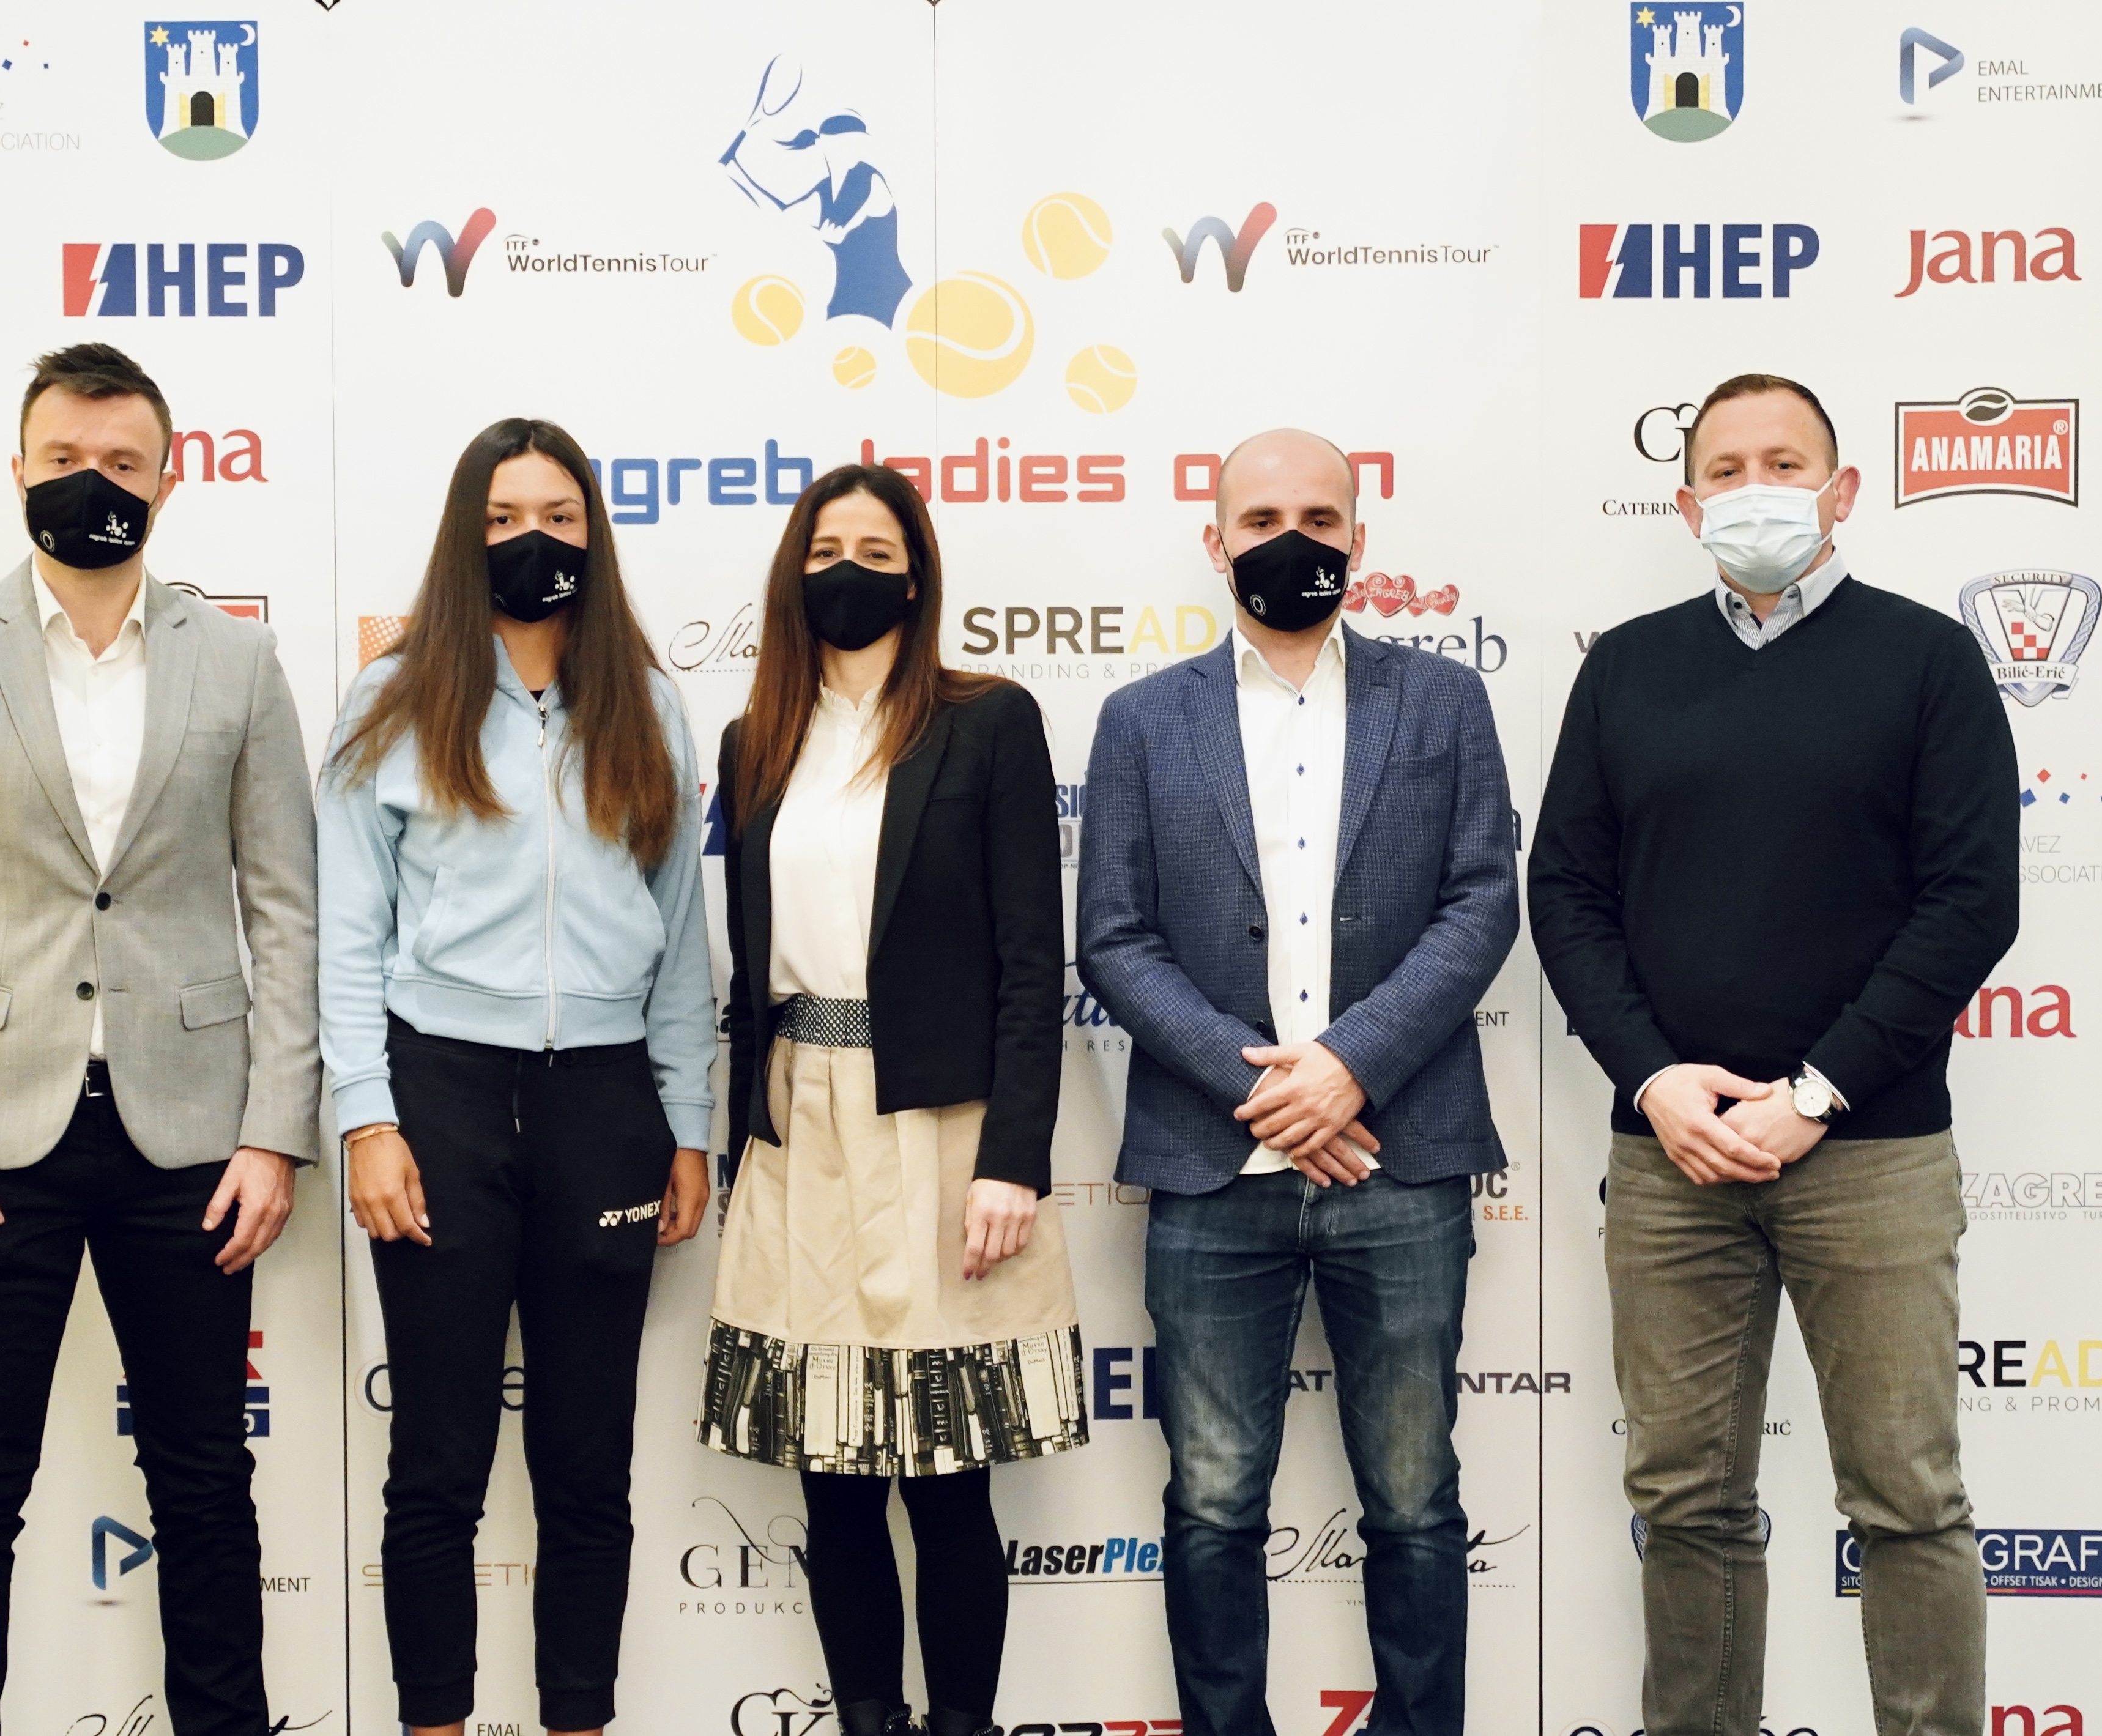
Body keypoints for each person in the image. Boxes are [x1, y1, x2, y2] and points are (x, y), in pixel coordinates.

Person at [0, 342, 319, 1736]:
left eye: (119, 463)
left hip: (194, 1137)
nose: (90, 483)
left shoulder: (240, 659)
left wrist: (275, 1132)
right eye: (63, 460)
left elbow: (288, 909)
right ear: (18, 470)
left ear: (168, 479)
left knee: (205, 1483)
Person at [1528, 374, 2016, 1736]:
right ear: (1686, 506)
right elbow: (1564, 891)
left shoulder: (1926, 660)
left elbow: (1970, 900)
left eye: (1784, 463)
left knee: (1906, 1498)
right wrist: (1653, 1078)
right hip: (1671, 1155)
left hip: (1870, 1152)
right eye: (1727, 468)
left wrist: (1816, 1092)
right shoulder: (1625, 668)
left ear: (1840, 489)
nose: (1756, 488)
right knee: (1683, 1498)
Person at [1077, 429, 1517, 1736]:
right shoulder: (1141, 719)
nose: (1292, 541)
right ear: (1214, 542)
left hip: (1402, 1155)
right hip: (1214, 1166)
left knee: (1413, 1501)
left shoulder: (1442, 702)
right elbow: (1113, 938)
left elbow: (1481, 902)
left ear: (1358, 541)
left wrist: (1348, 1068)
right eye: (1262, 519)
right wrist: (1270, 1088)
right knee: (1212, 1502)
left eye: (1319, 519)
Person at [321, 417, 713, 1736]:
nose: (529, 541)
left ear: (591, 533)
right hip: (440, 1099)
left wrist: (688, 1122)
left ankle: (578, 1718)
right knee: (436, 1461)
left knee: (588, 1468)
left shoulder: (646, 702)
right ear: (462, 535)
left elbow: (680, 939)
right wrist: (367, 1119)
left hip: (605, 1105)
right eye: (500, 520)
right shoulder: (392, 698)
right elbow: (347, 936)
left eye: (555, 517)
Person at [699, 463, 1083, 1736]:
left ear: (914, 578)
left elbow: (1032, 962)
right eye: (826, 548)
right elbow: (747, 971)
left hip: (942, 1130)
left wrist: (1012, 1158)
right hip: (799, 1124)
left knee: (947, 1473)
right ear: (793, 571)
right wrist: (737, 1147)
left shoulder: (988, 721)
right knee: (834, 1478)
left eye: (876, 550)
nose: (848, 570)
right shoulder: (754, 741)